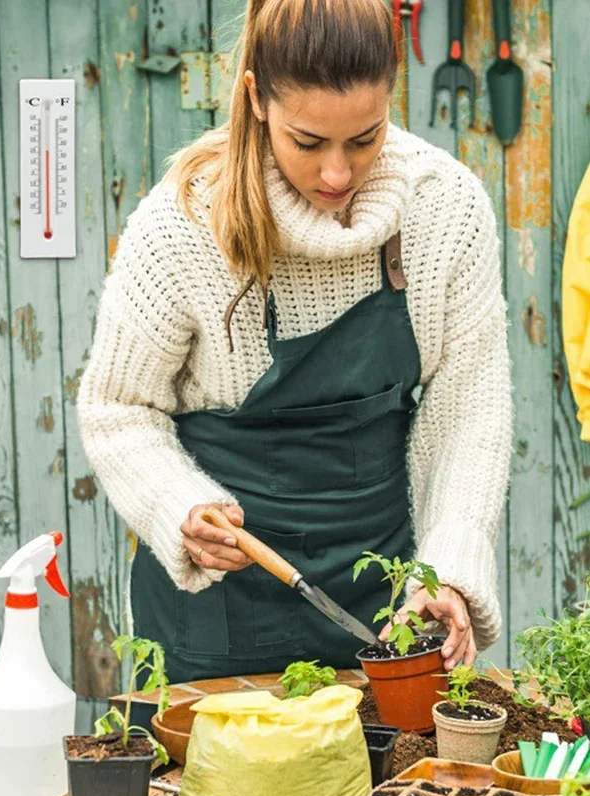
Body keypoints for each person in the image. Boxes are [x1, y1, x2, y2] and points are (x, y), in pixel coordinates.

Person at [76, 0, 512, 708]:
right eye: (307, 142)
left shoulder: (445, 208)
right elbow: (116, 407)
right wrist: (178, 504)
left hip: (383, 608)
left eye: (363, 139)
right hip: (215, 616)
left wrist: (445, 573)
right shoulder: (184, 222)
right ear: (255, 99)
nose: (337, 174)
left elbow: (469, 406)